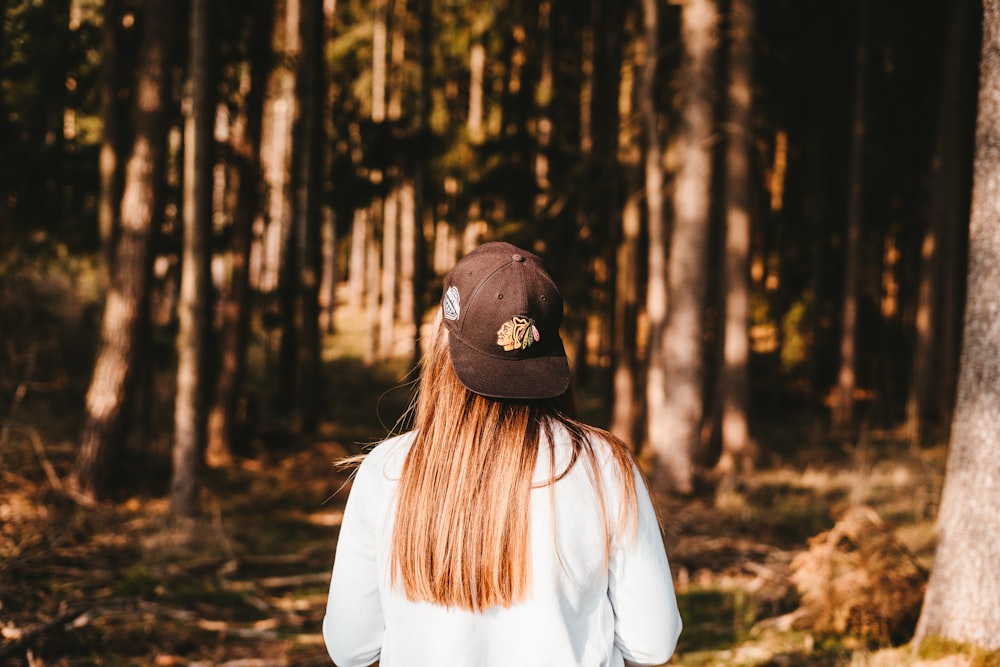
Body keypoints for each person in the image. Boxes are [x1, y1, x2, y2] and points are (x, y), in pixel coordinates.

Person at [323, 241, 682, 667]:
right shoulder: (604, 466)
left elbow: (351, 647)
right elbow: (652, 642)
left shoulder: (388, 471)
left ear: (442, 346)